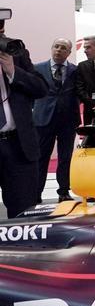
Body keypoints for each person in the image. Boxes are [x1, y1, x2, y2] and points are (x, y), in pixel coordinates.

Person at [0, 16, 48, 218]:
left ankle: (23, 249)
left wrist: (13, 71)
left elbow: (41, 88)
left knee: (24, 211)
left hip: (18, 145)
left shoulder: (16, 53)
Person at [34, 39, 79, 202]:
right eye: (56, 47)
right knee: (41, 158)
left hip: (68, 121)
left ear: (69, 52)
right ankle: (36, 192)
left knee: (65, 157)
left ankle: (64, 191)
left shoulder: (75, 70)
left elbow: (79, 93)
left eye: (63, 48)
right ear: (51, 48)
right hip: (43, 119)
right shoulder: (37, 68)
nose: (59, 50)